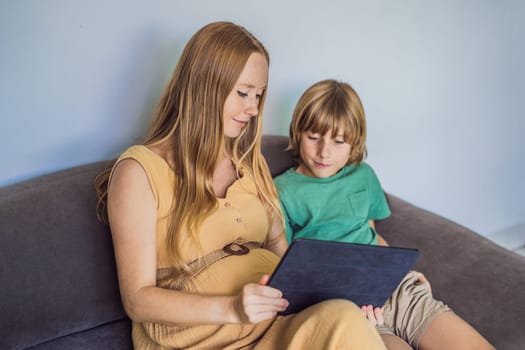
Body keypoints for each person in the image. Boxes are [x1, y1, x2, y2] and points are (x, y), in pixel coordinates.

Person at [95, 22, 386, 349]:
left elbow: (286, 258)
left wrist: (352, 294)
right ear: (206, 86)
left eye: (259, 95)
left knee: (345, 319)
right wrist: (232, 308)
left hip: (278, 326)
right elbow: (137, 300)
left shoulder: (250, 163)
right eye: (244, 93)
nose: (253, 108)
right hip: (203, 340)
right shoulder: (139, 171)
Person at [273, 79, 495, 350]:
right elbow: (285, 265)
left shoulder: (363, 175)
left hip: (394, 289)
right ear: (297, 132)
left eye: (339, 141)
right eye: (314, 138)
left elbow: (372, 235)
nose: (325, 151)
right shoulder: (283, 191)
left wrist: (400, 270)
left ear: (355, 142)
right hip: (349, 311)